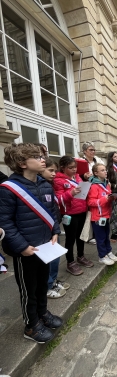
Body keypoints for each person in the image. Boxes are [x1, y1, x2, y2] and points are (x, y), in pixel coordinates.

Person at [0, 143, 62, 343]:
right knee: (28, 289)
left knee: (42, 284)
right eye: (37, 157)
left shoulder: (45, 185)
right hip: (26, 250)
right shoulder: (8, 189)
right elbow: (4, 222)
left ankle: (43, 313)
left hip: (45, 246)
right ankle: (31, 325)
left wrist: (55, 231)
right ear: (22, 163)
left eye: (42, 155)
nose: (43, 159)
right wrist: (21, 247)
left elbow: (53, 211)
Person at [53, 156, 93, 276]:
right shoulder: (58, 181)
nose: (74, 170)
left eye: (75, 167)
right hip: (69, 214)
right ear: (63, 168)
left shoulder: (77, 177)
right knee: (70, 239)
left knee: (80, 237)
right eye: (71, 168)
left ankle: (80, 256)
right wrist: (70, 193)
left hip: (81, 210)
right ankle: (70, 262)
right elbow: (58, 199)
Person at [41, 158, 70, 298]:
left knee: (56, 258)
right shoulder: (39, 187)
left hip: (53, 226)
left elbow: (52, 208)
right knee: (49, 260)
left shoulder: (48, 185)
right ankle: (47, 286)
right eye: (50, 170)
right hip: (44, 230)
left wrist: (56, 229)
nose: (54, 174)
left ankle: (52, 281)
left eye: (55, 171)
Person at [87, 164, 117, 266]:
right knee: (100, 238)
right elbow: (90, 202)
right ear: (96, 173)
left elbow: (108, 196)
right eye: (102, 170)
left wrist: (112, 197)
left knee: (106, 236)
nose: (106, 172)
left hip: (106, 215)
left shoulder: (106, 184)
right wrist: (104, 199)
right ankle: (102, 256)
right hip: (97, 217)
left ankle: (108, 252)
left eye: (105, 170)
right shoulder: (94, 186)